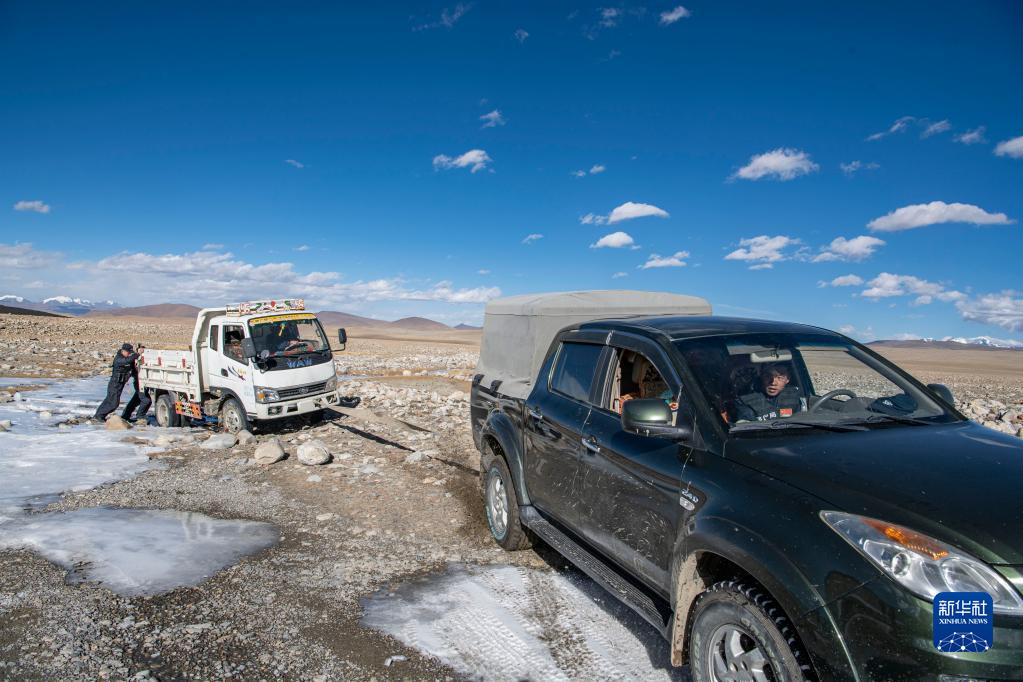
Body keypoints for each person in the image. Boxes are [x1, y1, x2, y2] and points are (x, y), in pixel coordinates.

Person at [733, 362, 805, 422]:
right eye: (768, 376)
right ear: (762, 377)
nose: (773, 383)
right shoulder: (746, 402)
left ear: (787, 379)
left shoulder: (796, 396)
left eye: (779, 378)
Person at [94, 343, 138, 421]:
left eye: (130, 353)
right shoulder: (119, 358)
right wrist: (136, 355)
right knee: (113, 403)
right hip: (115, 383)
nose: (129, 354)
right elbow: (126, 361)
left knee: (109, 400)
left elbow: (130, 365)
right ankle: (99, 415)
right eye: (128, 352)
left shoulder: (125, 358)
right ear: (123, 351)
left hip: (120, 383)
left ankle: (99, 415)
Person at [121, 345, 152, 422]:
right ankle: (140, 416)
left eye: (144, 350)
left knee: (136, 400)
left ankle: (125, 415)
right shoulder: (135, 358)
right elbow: (131, 369)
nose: (142, 352)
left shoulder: (145, 358)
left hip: (142, 382)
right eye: (141, 350)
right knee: (146, 400)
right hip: (138, 382)